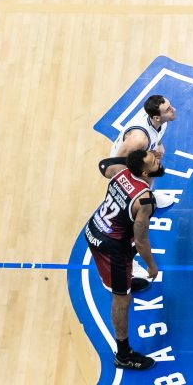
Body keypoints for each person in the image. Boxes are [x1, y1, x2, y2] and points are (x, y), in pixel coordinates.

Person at [83, 149, 163, 371]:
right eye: (153, 161)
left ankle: (125, 280)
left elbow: (103, 163)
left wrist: (132, 162)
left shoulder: (120, 171)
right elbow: (141, 241)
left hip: (96, 227)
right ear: (145, 172)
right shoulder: (145, 200)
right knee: (122, 300)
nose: (157, 160)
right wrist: (151, 266)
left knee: (128, 242)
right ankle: (123, 355)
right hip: (110, 247)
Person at [111, 94, 178, 209]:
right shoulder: (139, 140)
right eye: (168, 109)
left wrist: (158, 144)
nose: (174, 109)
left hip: (137, 151)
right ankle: (143, 200)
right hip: (122, 161)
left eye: (170, 106)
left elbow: (156, 133)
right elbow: (116, 164)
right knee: (152, 168)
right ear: (156, 118)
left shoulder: (157, 117)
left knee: (153, 162)